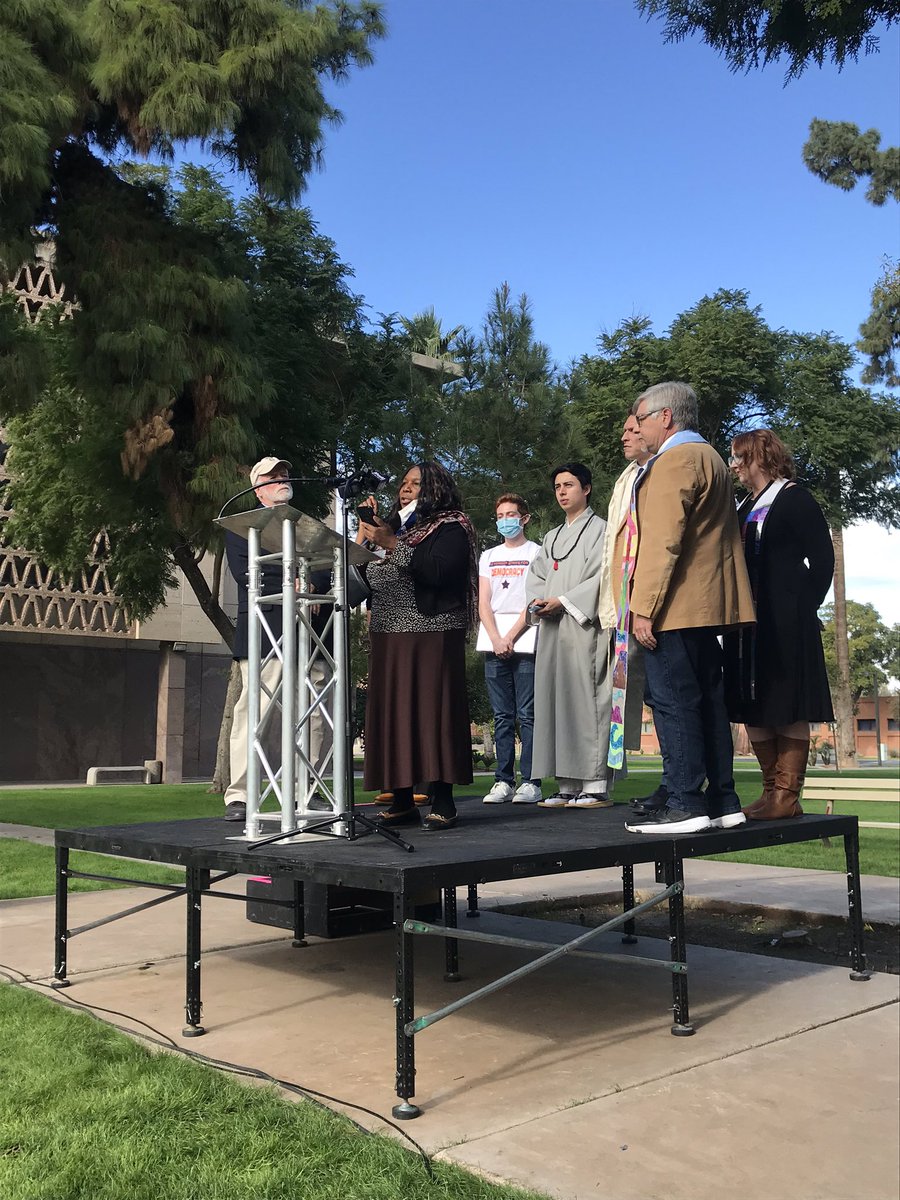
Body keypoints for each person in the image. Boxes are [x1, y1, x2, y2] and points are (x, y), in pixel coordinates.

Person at [622, 382, 756, 834]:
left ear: (665, 417)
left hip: (673, 607)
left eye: (640, 419)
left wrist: (643, 609)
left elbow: (663, 542)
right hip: (708, 607)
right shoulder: (713, 457)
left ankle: (684, 802)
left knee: (674, 702)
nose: (636, 428)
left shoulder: (674, 460)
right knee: (708, 703)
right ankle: (722, 799)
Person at [359, 461, 477, 830]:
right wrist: (367, 539)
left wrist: (392, 545)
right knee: (394, 713)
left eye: (415, 483)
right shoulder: (392, 525)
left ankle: (443, 800)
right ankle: (402, 801)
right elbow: (365, 572)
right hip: (388, 631)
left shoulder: (451, 526)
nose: (405, 489)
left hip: (432, 629)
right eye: (404, 483)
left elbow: (441, 571)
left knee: (432, 712)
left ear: (436, 488)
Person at [723, 429, 834, 820]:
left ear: (761, 457)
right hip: (746, 625)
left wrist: (804, 607)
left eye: (739, 457)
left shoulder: (794, 499)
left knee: (787, 703)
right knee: (753, 705)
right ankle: (771, 790)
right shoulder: (742, 507)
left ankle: (787, 794)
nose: (734, 465)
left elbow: (822, 561)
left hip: (786, 621)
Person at [223, 457, 330, 821]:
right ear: (258, 488)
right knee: (253, 715)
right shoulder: (241, 527)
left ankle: (309, 789)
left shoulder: (307, 526)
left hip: (310, 635)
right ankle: (239, 796)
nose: (283, 479)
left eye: (285, 474)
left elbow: (325, 567)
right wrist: (292, 584)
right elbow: (246, 575)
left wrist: (312, 585)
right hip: (264, 634)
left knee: (313, 715)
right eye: (274, 476)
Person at [525, 462, 615, 808]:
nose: (562, 491)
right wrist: (539, 603)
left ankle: (594, 783)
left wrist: (563, 601)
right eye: (558, 486)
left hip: (584, 628)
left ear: (587, 488)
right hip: (552, 631)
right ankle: (566, 784)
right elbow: (536, 577)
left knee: (588, 702)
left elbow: (603, 577)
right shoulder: (550, 537)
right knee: (556, 703)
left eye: (569, 485)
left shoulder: (603, 531)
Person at [597, 416, 669, 816]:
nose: (624, 435)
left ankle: (680, 785)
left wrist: (645, 604)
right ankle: (670, 782)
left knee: (667, 697)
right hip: (626, 604)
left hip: (654, 604)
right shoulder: (629, 476)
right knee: (645, 698)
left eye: (631, 428)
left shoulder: (662, 468)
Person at [477, 493, 541, 805]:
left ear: (525, 518)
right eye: (501, 515)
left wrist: (512, 636)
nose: (506, 520)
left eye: (512, 514)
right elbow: (483, 602)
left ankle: (531, 780)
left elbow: (534, 601)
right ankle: (503, 780)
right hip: (493, 641)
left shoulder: (537, 553)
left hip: (525, 639)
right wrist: (495, 638)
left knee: (527, 714)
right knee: (502, 716)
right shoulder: (488, 556)